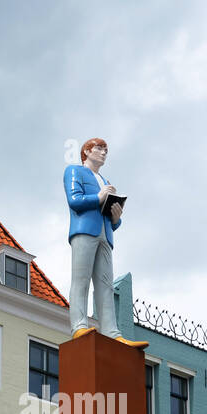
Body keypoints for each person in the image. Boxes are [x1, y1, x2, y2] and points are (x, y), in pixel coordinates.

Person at [64, 138, 147, 347]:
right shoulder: (74, 171)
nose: (103, 153)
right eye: (99, 148)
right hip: (84, 230)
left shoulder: (104, 179)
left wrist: (116, 218)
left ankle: (112, 332)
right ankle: (79, 326)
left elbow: (110, 217)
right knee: (81, 279)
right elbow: (74, 200)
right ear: (87, 151)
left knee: (105, 285)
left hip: (105, 235)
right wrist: (100, 196)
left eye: (106, 150)